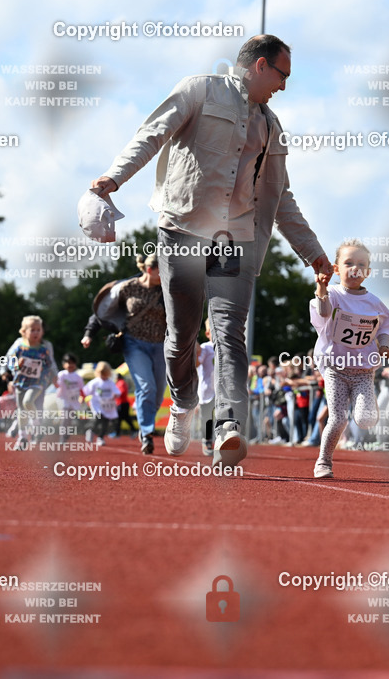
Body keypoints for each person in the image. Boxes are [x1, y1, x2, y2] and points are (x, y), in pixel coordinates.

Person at [91, 34, 330, 467]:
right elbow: (151, 135)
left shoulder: (271, 126)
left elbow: (281, 196)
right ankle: (183, 402)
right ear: (260, 66)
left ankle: (227, 428)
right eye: (282, 75)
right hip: (181, 231)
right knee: (181, 335)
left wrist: (312, 252)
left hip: (232, 240)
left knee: (229, 335)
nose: (283, 86)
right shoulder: (197, 89)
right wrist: (113, 178)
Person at [310, 240, 389, 478]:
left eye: (361, 264)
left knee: (365, 419)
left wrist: (385, 345)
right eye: (348, 263)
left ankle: (370, 406)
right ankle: (323, 461)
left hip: (363, 371)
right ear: (336, 268)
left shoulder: (374, 302)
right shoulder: (334, 294)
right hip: (335, 368)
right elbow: (324, 313)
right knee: (338, 419)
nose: (355, 269)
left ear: (368, 272)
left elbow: (385, 326)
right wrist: (321, 289)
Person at [115, 254, 167, 456]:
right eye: (161, 270)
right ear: (149, 270)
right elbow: (106, 309)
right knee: (147, 386)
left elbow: (181, 316)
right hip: (134, 344)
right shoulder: (128, 287)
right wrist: (89, 332)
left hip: (160, 345)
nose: (165, 274)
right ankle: (146, 433)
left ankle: (146, 420)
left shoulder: (166, 290)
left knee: (157, 393)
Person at [2, 316, 57, 450]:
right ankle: (22, 438)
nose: (36, 333)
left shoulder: (44, 349)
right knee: (21, 411)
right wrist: (16, 365)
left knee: (28, 402)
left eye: (38, 330)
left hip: (37, 382)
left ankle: (36, 422)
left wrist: (54, 376)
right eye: (32, 330)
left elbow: (50, 364)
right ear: (24, 332)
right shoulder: (20, 348)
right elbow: (10, 362)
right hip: (21, 382)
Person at [83, 362, 119, 447]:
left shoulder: (110, 382)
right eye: (102, 373)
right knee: (98, 418)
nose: (103, 376)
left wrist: (115, 395)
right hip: (97, 404)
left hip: (107, 405)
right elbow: (86, 391)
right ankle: (91, 430)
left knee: (105, 422)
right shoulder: (95, 382)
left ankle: (100, 437)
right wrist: (82, 398)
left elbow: (117, 392)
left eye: (105, 374)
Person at [195, 318, 215, 455]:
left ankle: (222, 441)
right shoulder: (205, 347)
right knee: (207, 417)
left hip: (221, 389)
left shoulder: (226, 348)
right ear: (208, 334)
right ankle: (207, 440)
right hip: (207, 388)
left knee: (223, 416)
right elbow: (197, 363)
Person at [55, 353, 85, 444]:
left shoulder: (78, 377)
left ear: (75, 364)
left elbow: (81, 389)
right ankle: (62, 437)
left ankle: (66, 434)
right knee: (65, 418)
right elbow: (57, 384)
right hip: (63, 398)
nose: (70, 365)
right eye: (68, 362)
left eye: (72, 363)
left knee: (69, 419)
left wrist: (82, 397)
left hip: (73, 400)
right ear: (64, 364)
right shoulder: (62, 374)